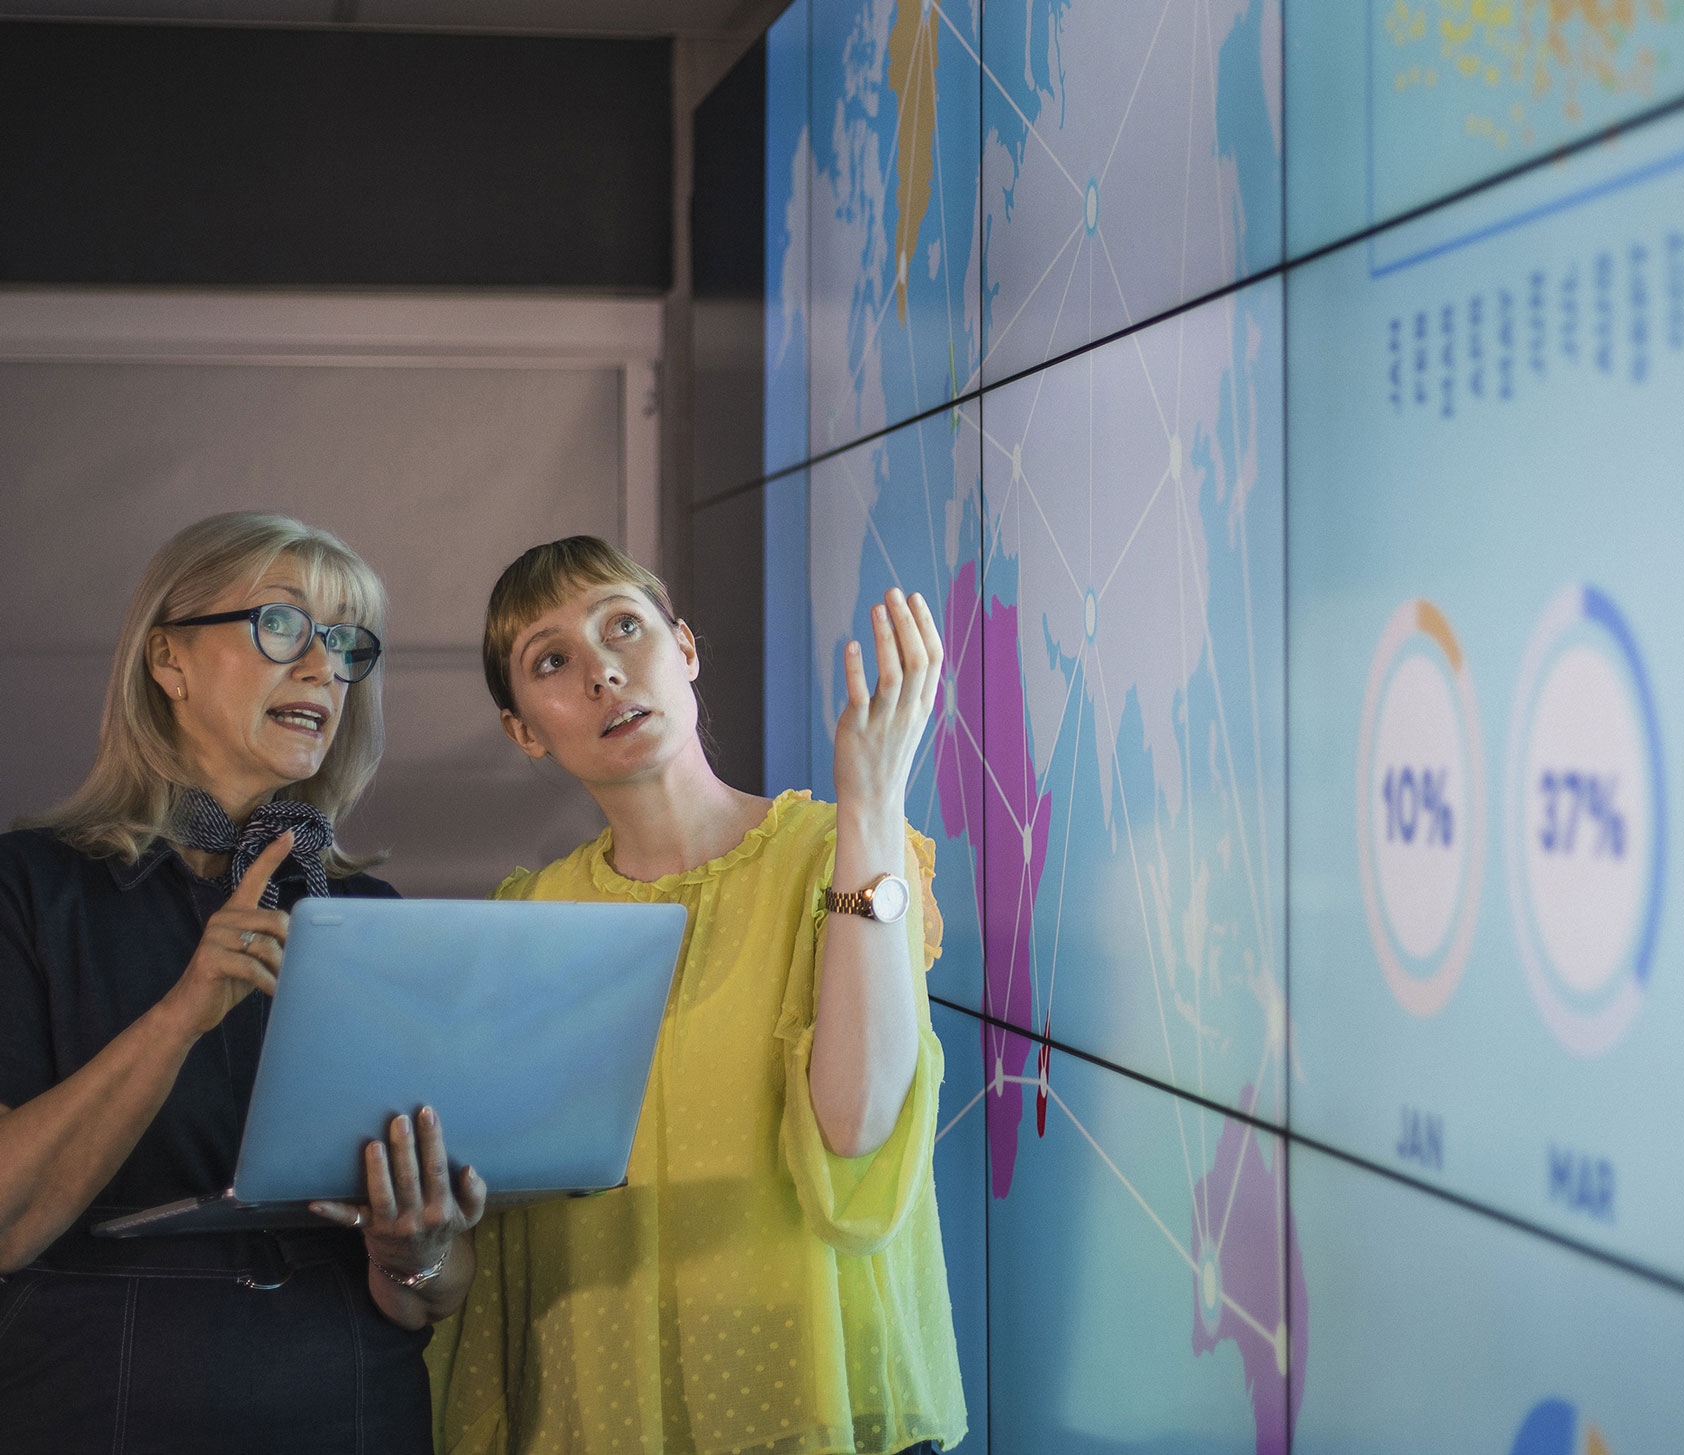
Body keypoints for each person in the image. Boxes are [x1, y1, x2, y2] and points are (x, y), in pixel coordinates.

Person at [429, 536, 965, 1454]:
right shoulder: (528, 920)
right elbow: (494, 1224)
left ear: (683, 649)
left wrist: (872, 805)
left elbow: (857, 1126)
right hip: (598, 1409)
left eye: (623, 627)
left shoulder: (843, 850)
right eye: (552, 660)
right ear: (524, 728)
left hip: (815, 1399)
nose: (601, 672)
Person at [0, 512, 486, 1454]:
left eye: (344, 642)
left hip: (353, 1397)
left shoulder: (373, 912)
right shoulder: (27, 887)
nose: (322, 668)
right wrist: (181, 1015)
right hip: (101, 1397)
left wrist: (415, 1251)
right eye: (282, 625)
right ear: (168, 659)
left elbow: (439, 1293)